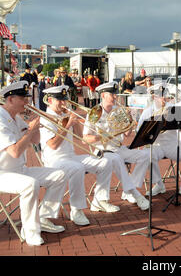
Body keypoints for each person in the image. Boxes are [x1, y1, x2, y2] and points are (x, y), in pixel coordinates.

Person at [0, 81, 68, 246]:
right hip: (0, 173)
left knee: (60, 174)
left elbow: (35, 140)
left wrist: (36, 125)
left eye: (27, 98)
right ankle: (30, 232)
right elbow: (15, 152)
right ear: (10, 99)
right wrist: (29, 131)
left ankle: (42, 217)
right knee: (31, 184)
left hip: (20, 170)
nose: (27, 102)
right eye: (23, 98)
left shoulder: (15, 117)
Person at [39, 85, 131, 216]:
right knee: (77, 168)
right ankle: (76, 210)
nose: (63, 103)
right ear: (50, 101)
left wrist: (75, 122)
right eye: (59, 100)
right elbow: (53, 145)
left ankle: (100, 200)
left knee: (105, 162)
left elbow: (79, 136)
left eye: (64, 99)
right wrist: (68, 125)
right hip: (55, 159)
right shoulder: (46, 118)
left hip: (70, 156)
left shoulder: (64, 114)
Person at [82, 82, 149, 210]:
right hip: (103, 151)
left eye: (115, 94)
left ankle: (129, 191)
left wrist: (130, 119)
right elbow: (85, 138)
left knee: (145, 155)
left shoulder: (118, 111)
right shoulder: (95, 112)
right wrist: (100, 138)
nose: (115, 97)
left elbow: (127, 134)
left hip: (118, 149)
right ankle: (135, 194)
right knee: (116, 159)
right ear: (103, 95)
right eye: (112, 94)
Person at [137, 83, 181, 197]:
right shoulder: (148, 111)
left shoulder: (172, 108)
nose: (163, 98)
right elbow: (139, 131)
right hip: (156, 145)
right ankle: (159, 184)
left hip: (172, 144)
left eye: (164, 95)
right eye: (160, 96)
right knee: (149, 155)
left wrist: (180, 122)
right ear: (154, 97)